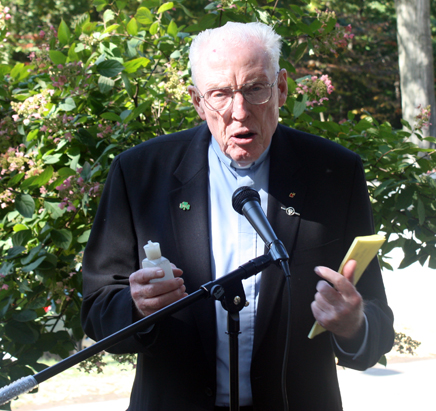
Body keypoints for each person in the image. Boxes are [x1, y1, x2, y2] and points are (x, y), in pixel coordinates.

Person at [81, 22, 394, 411]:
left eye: (255, 89)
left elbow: (376, 321)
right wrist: (138, 308)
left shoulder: (334, 173)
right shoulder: (139, 173)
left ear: (280, 88)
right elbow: (96, 310)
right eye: (220, 95)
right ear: (197, 102)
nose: (239, 112)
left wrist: (355, 325)